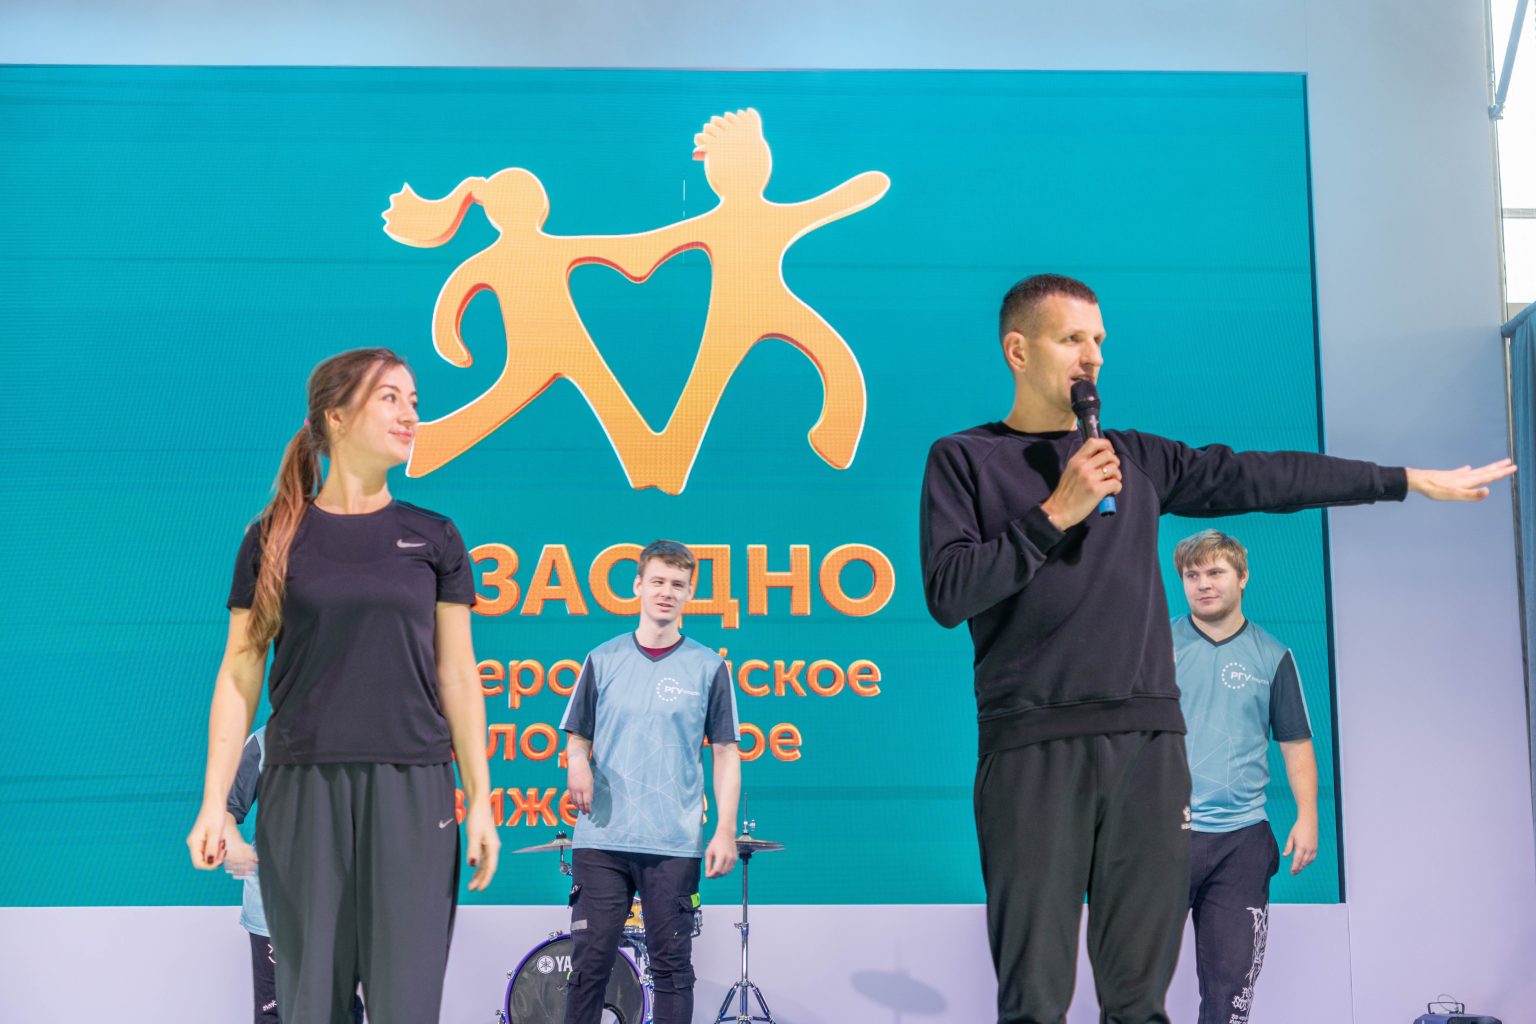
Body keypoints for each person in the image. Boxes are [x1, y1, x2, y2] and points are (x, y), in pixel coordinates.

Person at [918, 273, 1515, 1024]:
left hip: (1149, 750)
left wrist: (1400, 480)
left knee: (1138, 999)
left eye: (1098, 340)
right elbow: (949, 592)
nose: (1092, 356)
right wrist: (1055, 512)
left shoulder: (1135, 458)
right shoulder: (965, 459)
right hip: (1031, 747)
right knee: (1033, 999)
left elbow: (1260, 476)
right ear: (1018, 350)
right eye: (1071, 339)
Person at [184, 347, 500, 1024]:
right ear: (335, 416)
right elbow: (239, 674)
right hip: (302, 791)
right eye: (390, 397)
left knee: (405, 1006)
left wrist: (480, 801)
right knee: (310, 1005)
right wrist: (214, 801)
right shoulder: (272, 538)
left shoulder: (435, 538)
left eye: (414, 401)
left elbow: (458, 675)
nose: (410, 414)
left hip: (413, 789)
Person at [558, 539, 743, 1024]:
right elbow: (578, 736)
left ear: (690, 593)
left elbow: (726, 752)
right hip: (602, 838)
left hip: (673, 843)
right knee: (588, 968)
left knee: (672, 972)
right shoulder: (603, 658)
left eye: (677, 584)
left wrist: (724, 830)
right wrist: (577, 761)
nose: (666, 592)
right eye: (657, 581)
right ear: (638, 585)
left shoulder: (709, 666)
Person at [1172, 530, 1316, 1024]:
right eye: (1192, 575)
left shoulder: (1273, 656)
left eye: (1215, 572)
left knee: (1230, 994)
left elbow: (1295, 744)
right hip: (1161, 837)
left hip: (1241, 843)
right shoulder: (1155, 647)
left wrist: (1308, 816)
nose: (1203, 584)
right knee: (1131, 981)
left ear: (1242, 577)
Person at [222, 726, 364, 1024]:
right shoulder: (262, 743)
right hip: (272, 909)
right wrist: (231, 840)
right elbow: (226, 809)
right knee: (274, 1011)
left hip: (340, 909)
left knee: (341, 1009)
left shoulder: (358, 739)